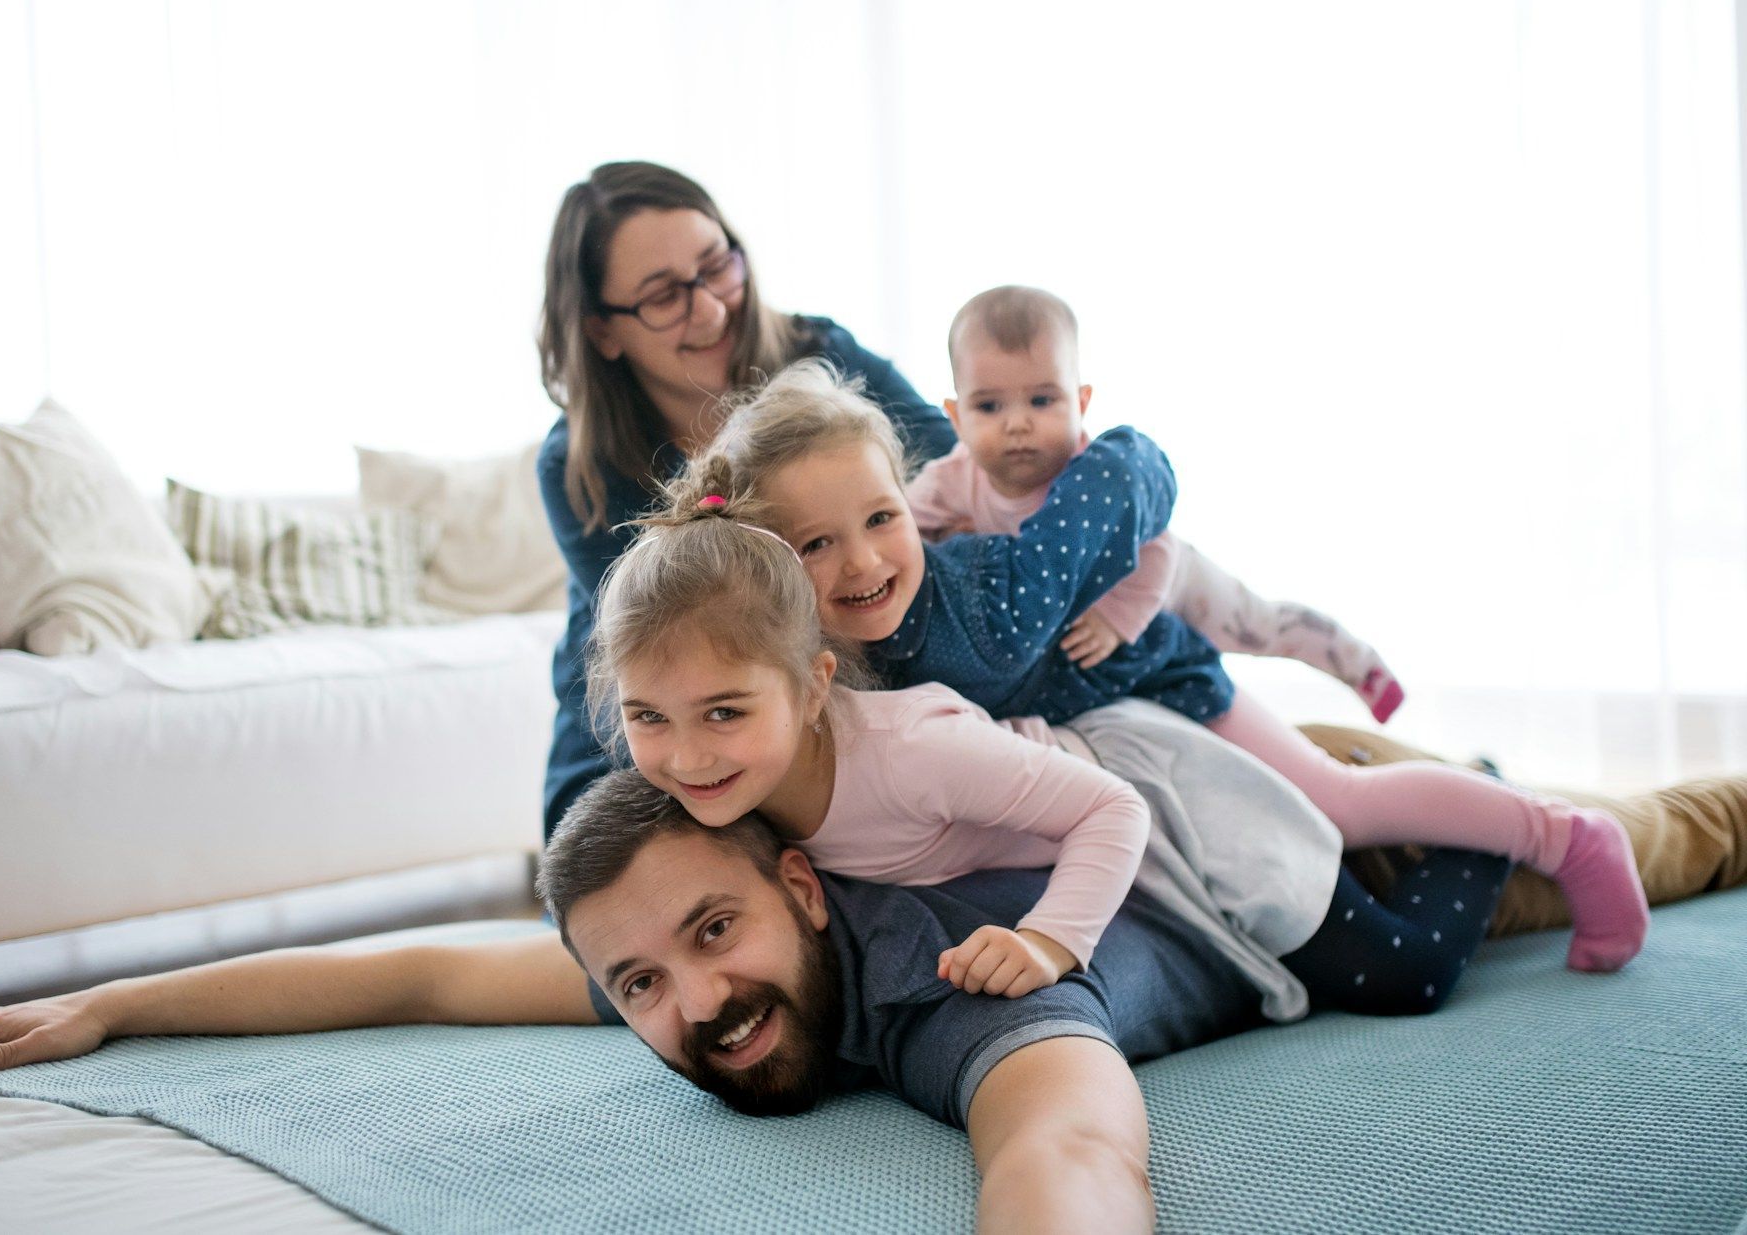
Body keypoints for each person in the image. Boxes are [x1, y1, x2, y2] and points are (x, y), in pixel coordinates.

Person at [0, 767, 1296, 1233]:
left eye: (713, 927)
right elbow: (411, 968)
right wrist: (114, 1002)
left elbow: (1073, 1147)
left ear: (803, 884)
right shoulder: (697, 961)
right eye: (639, 981)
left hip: (1251, 860)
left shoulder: (944, 988)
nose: (700, 1000)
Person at [687, 359, 1648, 971]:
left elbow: (1128, 462)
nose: (859, 562)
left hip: (1159, 677)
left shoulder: (992, 598)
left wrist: (1115, 542)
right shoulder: (810, 657)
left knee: (1339, 804)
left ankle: (1564, 836)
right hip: (1099, 742)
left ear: (911, 501)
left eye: (879, 521)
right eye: (814, 545)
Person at [587, 482, 1506, 1012]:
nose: (686, 755)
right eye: (648, 717)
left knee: (1402, 974)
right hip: (1075, 809)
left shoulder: (913, 753)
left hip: (1157, 791)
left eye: (722, 713)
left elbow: (1114, 810)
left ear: (815, 685)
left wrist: (1050, 943)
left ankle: (1479, 801)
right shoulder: (698, 792)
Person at [535, 161, 957, 839]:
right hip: (661, 725)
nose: (711, 307)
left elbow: (956, 476)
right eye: (663, 296)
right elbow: (688, 649)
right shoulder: (577, 466)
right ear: (601, 330)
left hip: (824, 692)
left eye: (716, 265)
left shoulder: (819, 352)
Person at [907, 285, 1404, 722]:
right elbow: (902, 529)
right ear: (954, 415)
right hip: (1119, 627)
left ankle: (1359, 666)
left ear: (1080, 404)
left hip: (1171, 584)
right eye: (989, 406)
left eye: (1042, 401)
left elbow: (1156, 550)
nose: (1017, 424)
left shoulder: (1090, 473)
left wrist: (1117, 619)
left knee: (1259, 628)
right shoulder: (952, 479)